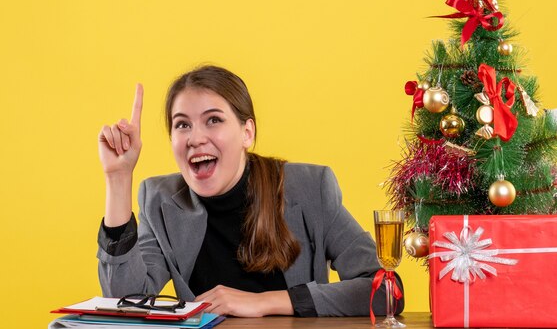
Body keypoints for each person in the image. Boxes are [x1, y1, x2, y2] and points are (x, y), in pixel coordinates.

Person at [96, 65, 404, 317]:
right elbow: (125, 302)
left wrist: (264, 302)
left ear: (247, 133)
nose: (195, 138)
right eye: (182, 125)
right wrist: (119, 179)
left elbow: (386, 291)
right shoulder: (159, 199)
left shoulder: (310, 188)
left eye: (213, 120)